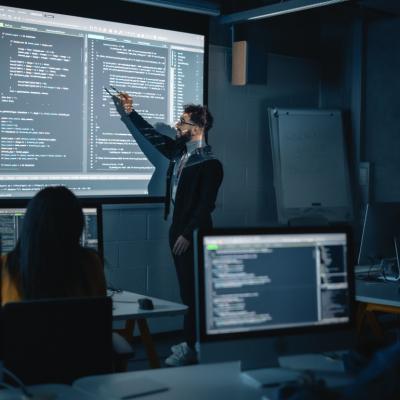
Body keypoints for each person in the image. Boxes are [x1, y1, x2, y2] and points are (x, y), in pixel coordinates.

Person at [113, 93, 223, 366]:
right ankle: (192, 344)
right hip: (179, 231)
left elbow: (205, 205)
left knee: (194, 292)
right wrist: (130, 112)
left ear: (198, 128)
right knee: (187, 290)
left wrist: (187, 233)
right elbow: (151, 136)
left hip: (195, 234)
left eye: (183, 122)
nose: (177, 125)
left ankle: (192, 345)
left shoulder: (210, 165)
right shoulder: (179, 154)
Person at [0, 186, 106, 305]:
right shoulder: (90, 264)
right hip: (74, 324)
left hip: (26, 324)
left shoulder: (5, 265)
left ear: (29, 226)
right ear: (77, 226)